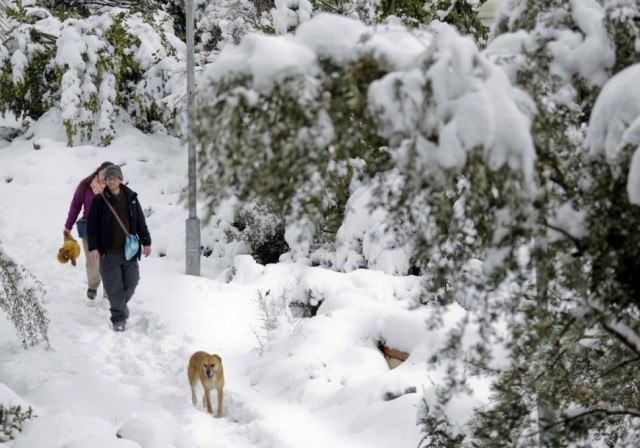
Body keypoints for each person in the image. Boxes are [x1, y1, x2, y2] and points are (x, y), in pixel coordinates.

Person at [87, 164, 152, 332]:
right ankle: (118, 318)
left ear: (120, 179)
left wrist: (146, 242)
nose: (111, 181)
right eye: (108, 178)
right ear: (105, 180)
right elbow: (91, 226)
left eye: (114, 178)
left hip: (129, 251)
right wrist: (93, 247)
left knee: (132, 282)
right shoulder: (99, 201)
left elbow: (140, 222)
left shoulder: (131, 198)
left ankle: (121, 306)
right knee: (114, 287)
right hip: (109, 253)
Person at [64, 161, 113, 300]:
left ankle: (108, 290)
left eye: (110, 174)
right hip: (89, 230)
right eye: (104, 173)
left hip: (110, 230)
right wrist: (68, 226)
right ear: (99, 171)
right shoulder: (86, 185)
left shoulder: (115, 186)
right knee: (93, 261)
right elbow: (75, 206)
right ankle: (93, 285)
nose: (107, 177)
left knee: (109, 261)